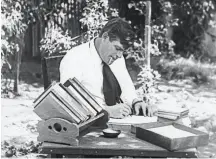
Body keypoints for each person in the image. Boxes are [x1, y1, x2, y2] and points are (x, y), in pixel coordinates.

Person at [60, 18, 155, 119]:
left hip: (119, 121)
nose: (119, 55)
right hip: (90, 123)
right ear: (105, 37)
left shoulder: (117, 58)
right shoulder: (75, 57)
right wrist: (105, 111)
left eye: (122, 51)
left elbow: (126, 86)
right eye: (117, 48)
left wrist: (136, 102)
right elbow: (68, 99)